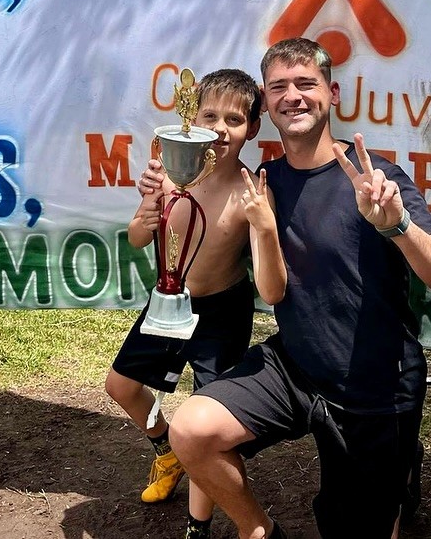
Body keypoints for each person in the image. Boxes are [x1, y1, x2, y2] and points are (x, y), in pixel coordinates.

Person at [167, 38, 431, 539]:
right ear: (266, 103)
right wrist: (167, 184)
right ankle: (259, 532)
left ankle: (398, 479)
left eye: (306, 83)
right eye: (279, 86)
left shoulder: (377, 179)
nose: (293, 95)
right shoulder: (264, 182)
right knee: (192, 430)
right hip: (294, 365)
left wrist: (396, 227)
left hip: (374, 385)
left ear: (330, 93)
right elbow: (221, 242)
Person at [106, 68, 286, 539]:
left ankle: (197, 526)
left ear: (254, 127)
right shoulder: (167, 172)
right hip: (168, 302)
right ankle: (167, 450)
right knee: (121, 387)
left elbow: (268, 265)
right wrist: (146, 215)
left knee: (204, 423)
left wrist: (263, 225)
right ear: (191, 118)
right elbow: (137, 237)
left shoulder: (250, 190)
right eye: (210, 114)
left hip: (223, 313)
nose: (221, 127)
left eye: (234, 118)